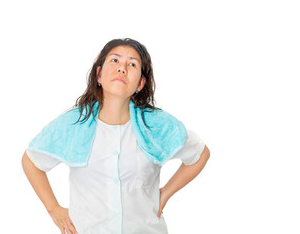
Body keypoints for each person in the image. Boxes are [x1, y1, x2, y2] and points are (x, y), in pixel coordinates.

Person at [21, 38, 210, 234]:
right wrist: (54, 210)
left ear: (140, 83)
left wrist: (166, 193)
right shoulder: (74, 124)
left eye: (132, 64)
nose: (122, 68)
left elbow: (200, 154)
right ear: (99, 75)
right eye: (115, 61)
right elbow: (32, 161)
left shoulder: (157, 125)